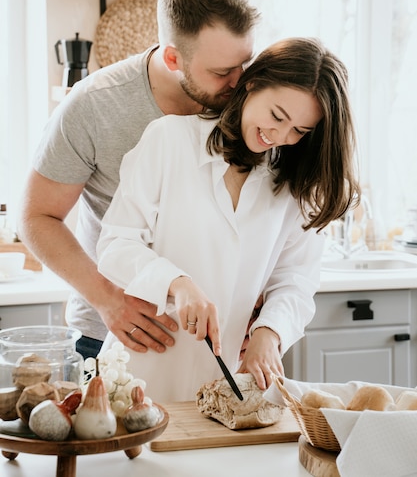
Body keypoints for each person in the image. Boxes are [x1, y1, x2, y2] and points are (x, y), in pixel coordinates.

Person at [96, 37, 361, 403]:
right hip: (139, 371)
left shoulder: (296, 183)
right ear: (251, 83)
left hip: (227, 384)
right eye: (277, 116)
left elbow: (296, 280)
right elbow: (114, 246)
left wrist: (270, 332)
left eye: (300, 131)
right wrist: (177, 283)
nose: (280, 137)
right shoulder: (169, 141)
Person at [17, 0, 260, 361]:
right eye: (220, 72)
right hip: (112, 334)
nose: (240, 82)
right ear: (172, 57)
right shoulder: (94, 105)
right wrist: (109, 300)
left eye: (244, 63)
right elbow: (35, 216)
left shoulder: (247, 99)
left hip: (214, 342)